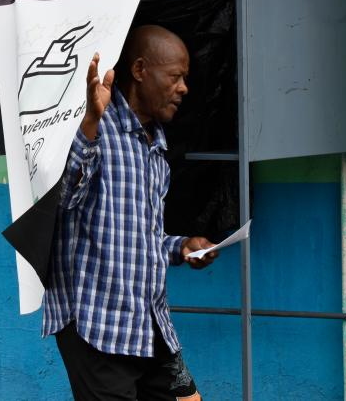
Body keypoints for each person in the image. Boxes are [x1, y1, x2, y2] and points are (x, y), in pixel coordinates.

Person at [42, 24, 218, 401]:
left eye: (184, 78)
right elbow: (62, 197)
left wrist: (182, 246)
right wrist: (89, 121)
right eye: (175, 77)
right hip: (97, 324)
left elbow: (140, 235)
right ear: (140, 70)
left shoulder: (155, 146)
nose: (184, 88)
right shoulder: (92, 126)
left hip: (147, 323)